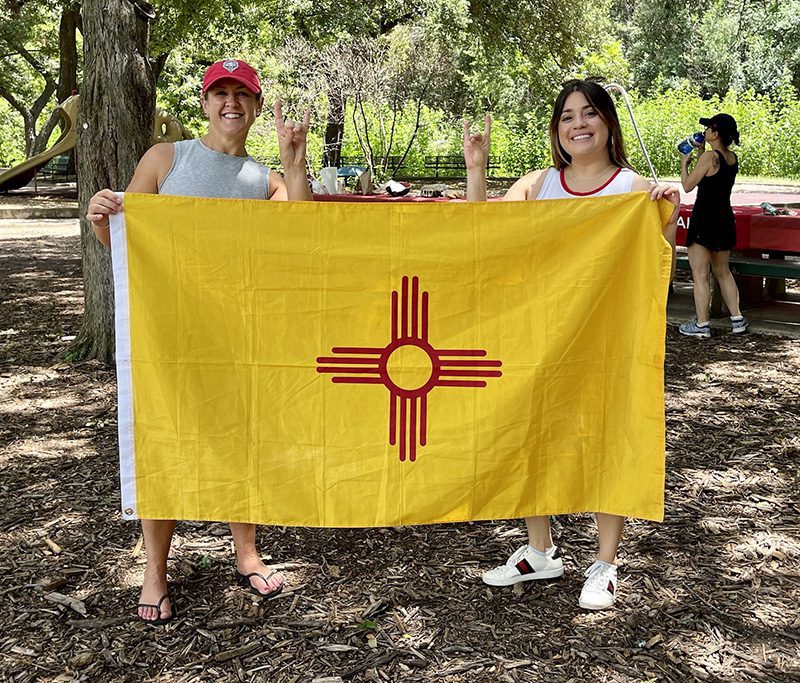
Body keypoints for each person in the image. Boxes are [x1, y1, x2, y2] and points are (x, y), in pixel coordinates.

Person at [87, 59, 312, 625]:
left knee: (240, 437)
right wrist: (100, 212)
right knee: (165, 439)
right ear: (205, 102)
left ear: (257, 108)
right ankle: (156, 571)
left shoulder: (265, 180)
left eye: (242, 94)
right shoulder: (167, 158)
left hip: (238, 332)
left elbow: (308, 231)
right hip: (169, 331)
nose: (231, 103)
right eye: (221, 93)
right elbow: (121, 229)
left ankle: (246, 552)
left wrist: (293, 159)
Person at [463, 78, 680, 610]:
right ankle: (540, 551)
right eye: (566, 116)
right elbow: (477, 232)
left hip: (605, 340)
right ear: (556, 130)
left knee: (607, 436)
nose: (577, 124)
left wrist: (667, 209)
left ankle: (605, 563)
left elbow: (659, 260)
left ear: (608, 124)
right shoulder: (538, 185)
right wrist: (475, 169)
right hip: (539, 335)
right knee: (533, 432)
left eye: (589, 114)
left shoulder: (632, 190)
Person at [678, 113, 747, 338]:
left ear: (715, 133)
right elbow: (713, 176)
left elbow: (688, 186)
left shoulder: (708, 157)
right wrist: (700, 154)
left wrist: (683, 161)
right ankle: (737, 319)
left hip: (703, 219)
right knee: (722, 271)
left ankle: (701, 324)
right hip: (724, 219)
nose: (705, 131)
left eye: (708, 128)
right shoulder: (731, 157)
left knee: (700, 275)